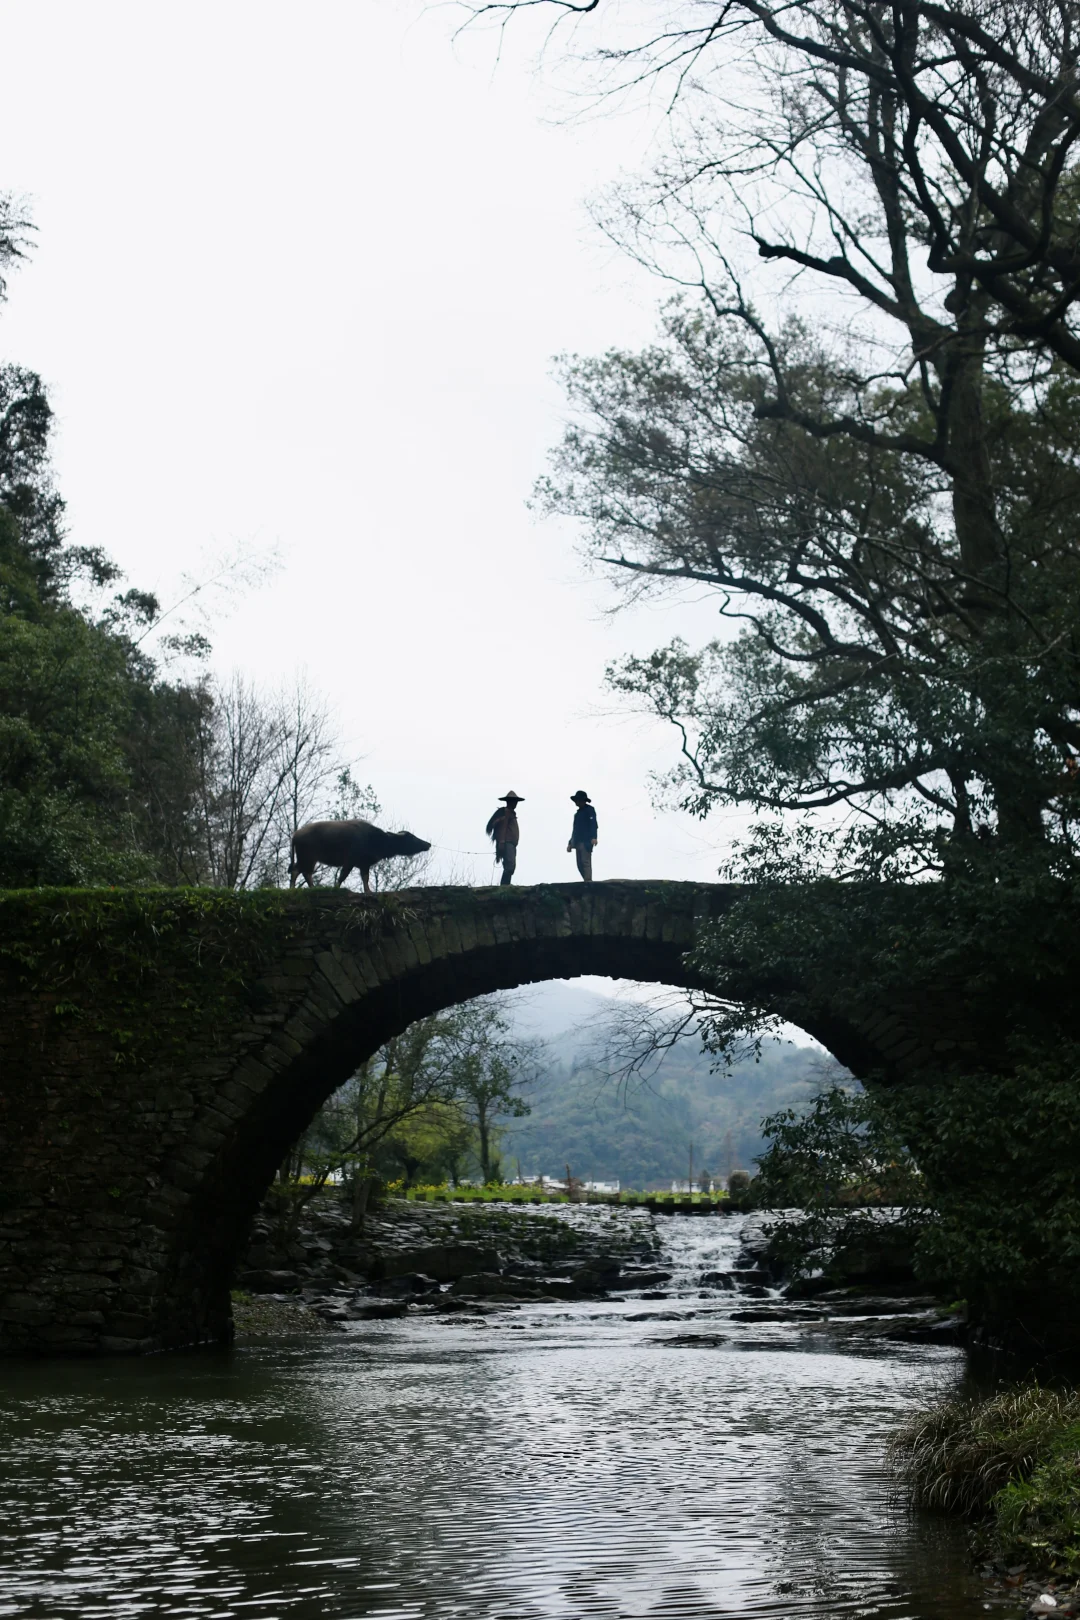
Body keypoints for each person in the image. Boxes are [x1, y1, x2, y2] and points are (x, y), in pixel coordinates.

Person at [485, 791, 523, 885]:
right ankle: (504, 886)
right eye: (513, 801)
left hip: (511, 843)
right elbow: (502, 828)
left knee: (509, 865)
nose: (515, 803)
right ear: (508, 801)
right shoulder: (505, 813)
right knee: (510, 866)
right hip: (507, 842)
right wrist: (501, 842)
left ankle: (505, 885)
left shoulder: (510, 813)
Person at [567, 790, 598, 882]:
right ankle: (586, 880)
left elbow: (593, 824)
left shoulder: (590, 810)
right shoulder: (577, 814)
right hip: (578, 841)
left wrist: (594, 837)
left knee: (585, 862)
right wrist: (570, 843)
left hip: (586, 841)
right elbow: (575, 830)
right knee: (579, 863)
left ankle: (588, 881)